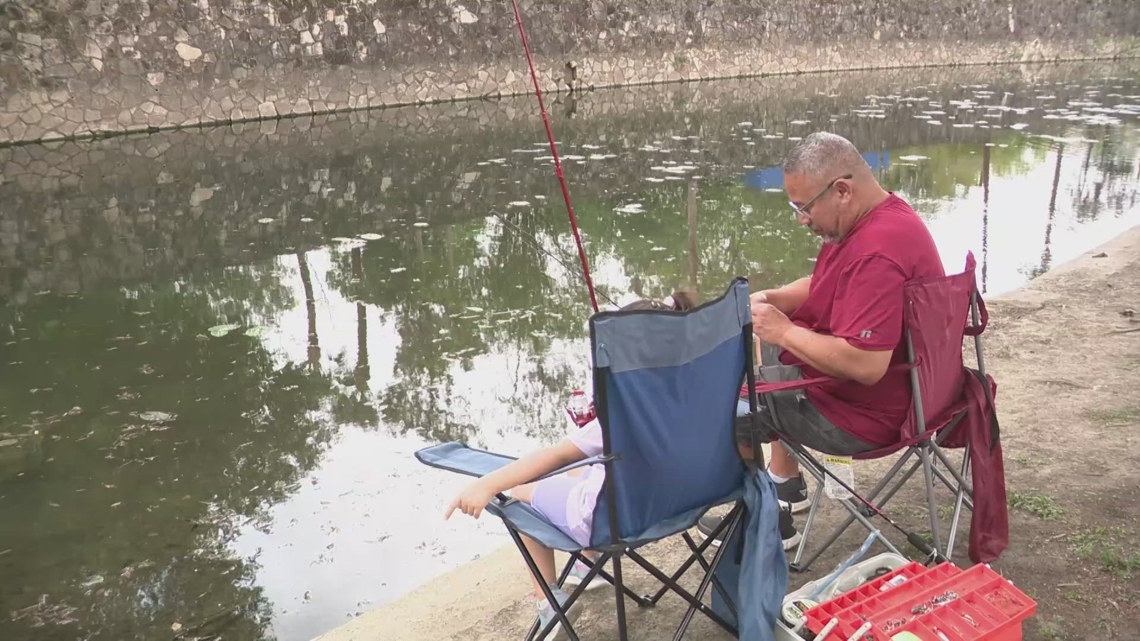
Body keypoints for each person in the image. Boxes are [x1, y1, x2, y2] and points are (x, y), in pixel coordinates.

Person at [700, 131, 946, 545]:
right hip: (920, 391)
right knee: (780, 343)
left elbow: (865, 366)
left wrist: (784, 329)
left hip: (872, 416)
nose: (800, 219)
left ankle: (764, 524)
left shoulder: (876, 250)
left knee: (732, 403)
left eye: (803, 207)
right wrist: (776, 300)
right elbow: (827, 283)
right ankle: (784, 482)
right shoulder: (883, 217)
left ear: (842, 191)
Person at [445, 290, 697, 641]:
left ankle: (550, 603)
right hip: (678, 503)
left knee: (519, 496)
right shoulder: (700, 396)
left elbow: (556, 454)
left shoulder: (622, 415)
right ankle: (588, 562)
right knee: (581, 473)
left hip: (614, 521)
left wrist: (486, 485)